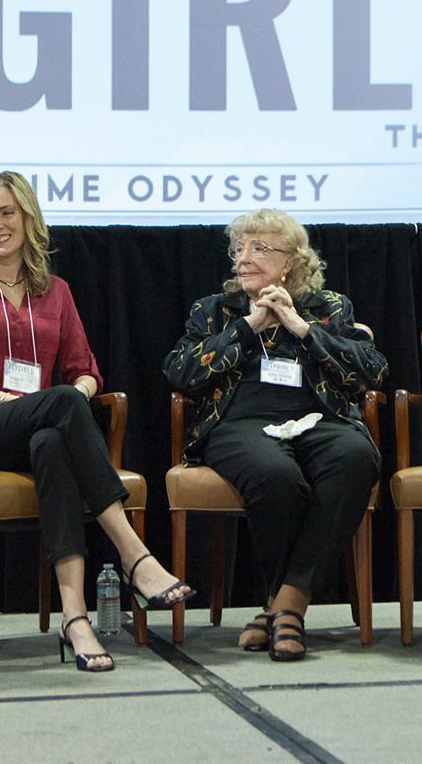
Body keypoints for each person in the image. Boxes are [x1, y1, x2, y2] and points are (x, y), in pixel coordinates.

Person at [0, 171, 192, 672]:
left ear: (28, 217)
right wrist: (12, 403)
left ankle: (75, 619)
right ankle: (134, 554)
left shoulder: (56, 291)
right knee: (58, 407)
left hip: (35, 430)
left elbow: (86, 372)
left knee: (53, 435)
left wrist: (67, 397)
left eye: (6, 213)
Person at [163, 209, 384, 662]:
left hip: (320, 420)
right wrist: (248, 328)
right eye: (238, 248)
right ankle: (291, 608)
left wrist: (302, 330)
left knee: (357, 457)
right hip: (237, 425)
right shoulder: (214, 310)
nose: (243, 258)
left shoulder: (329, 308)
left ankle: (283, 605)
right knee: (274, 475)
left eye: (258, 248)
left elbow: (372, 370)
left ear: (290, 262)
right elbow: (179, 372)